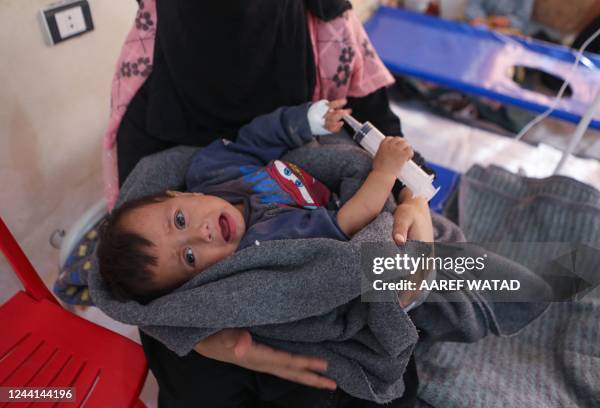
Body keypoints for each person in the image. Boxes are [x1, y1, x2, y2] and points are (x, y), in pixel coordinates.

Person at [107, 1, 430, 406]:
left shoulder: (330, 36)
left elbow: (389, 146)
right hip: (216, 311)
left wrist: (413, 200)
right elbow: (135, 268)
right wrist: (201, 334)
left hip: (346, 234)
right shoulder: (153, 75)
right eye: (184, 235)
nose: (201, 229)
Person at [98, 100, 424, 305]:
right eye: (189, 256)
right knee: (452, 279)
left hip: (332, 160)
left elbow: (256, 140)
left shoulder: (211, 171)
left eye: (180, 221)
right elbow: (348, 221)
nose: (202, 234)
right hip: (370, 209)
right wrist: (384, 172)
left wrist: (306, 121)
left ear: (180, 194)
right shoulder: (266, 241)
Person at [464, 0, 534, 32]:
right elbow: (473, 5)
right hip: (481, 27)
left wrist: (508, 21)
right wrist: (477, 17)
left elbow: (523, 19)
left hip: (508, 33)